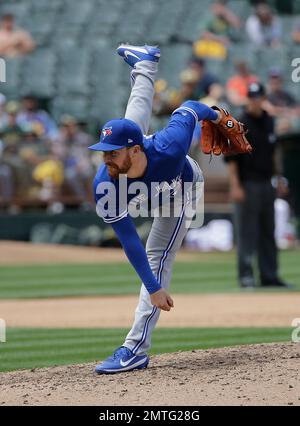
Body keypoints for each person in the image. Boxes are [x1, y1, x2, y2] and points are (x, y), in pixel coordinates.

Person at [89, 44, 227, 374]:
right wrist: (152, 288)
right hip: (141, 175)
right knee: (130, 122)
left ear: (134, 151)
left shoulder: (170, 146)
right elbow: (128, 240)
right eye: (103, 152)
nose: (105, 157)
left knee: (158, 256)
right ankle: (146, 63)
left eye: (112, 152)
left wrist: (217, 115)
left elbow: (192, 107)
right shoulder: (106, 183)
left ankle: (134, 349)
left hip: (181, 189)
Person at [225, 82, 291, 289]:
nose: (255, 101)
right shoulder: (240, 124)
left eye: (258, 97)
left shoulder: (268, 121)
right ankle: (246, 276)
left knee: (267, 231)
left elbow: (273, 153)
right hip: (247, 183)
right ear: (248, 99)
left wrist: (278, 177)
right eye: (251, 97)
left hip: (266, 182)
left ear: (263, 98)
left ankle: (269, 275)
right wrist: (235, 186)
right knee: (246, 232)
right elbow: (232, 159)